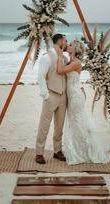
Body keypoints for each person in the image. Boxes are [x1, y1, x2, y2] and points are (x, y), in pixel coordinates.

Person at [54, 39, 110, 165]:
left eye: (70, 45)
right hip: (74, 94)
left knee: (78, 124)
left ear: (75, 49)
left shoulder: (76, 62)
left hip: (75, 97)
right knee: (76, 124)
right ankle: (80, 150)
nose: (68, 46)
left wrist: (59, 55)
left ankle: (85, 152)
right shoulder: (71, 61)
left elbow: (60, 71)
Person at [35, 34, 68, 164]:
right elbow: (41, 76)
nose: (66, 43)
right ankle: (39, 153)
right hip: (51, 95)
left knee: (59, 126)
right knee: (44, 125)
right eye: (65, 41)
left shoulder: (64, 58)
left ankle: (57, 151)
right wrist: (46, 95)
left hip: (63, 96)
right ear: (59, 42)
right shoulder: (46, 57)